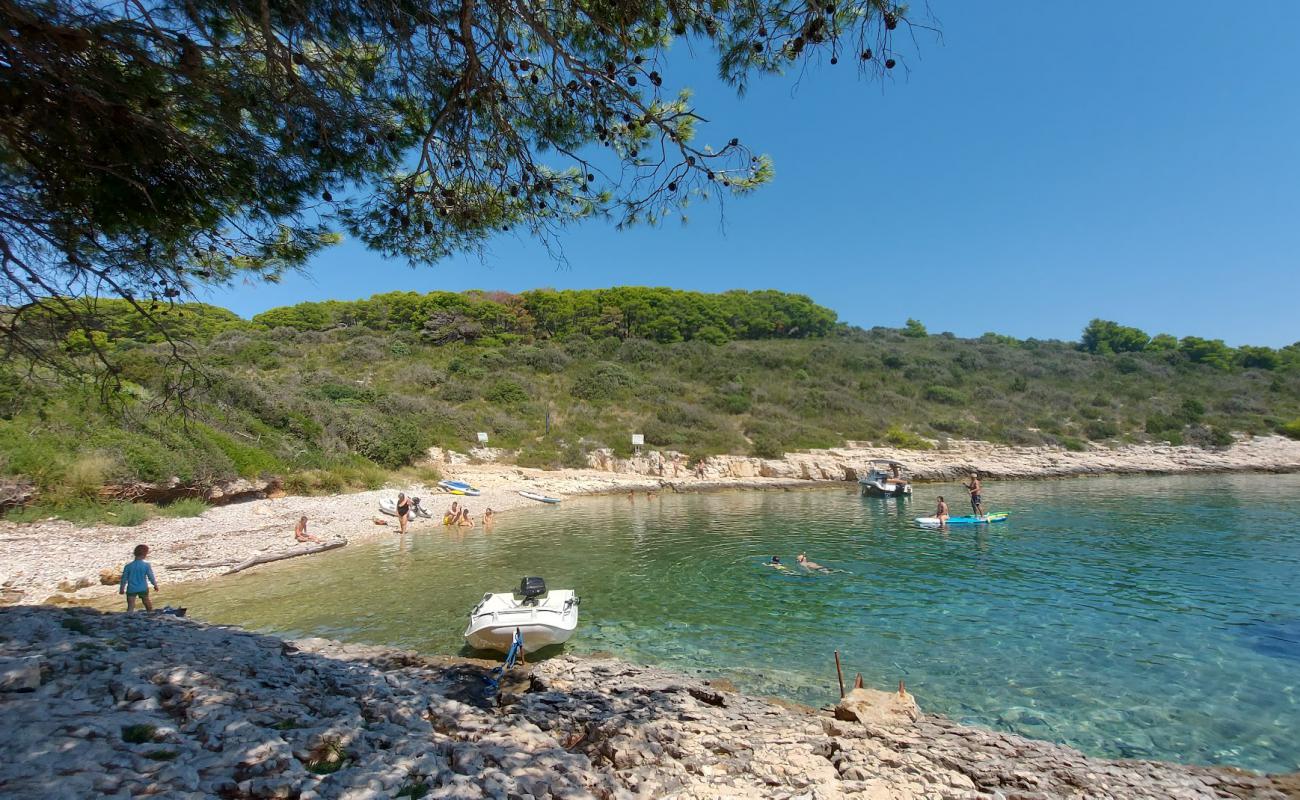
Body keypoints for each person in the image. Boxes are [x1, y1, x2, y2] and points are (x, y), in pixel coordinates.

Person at [119, 544, 158, 612]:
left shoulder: (128, 566)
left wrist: (122, 589)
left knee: (131, 605)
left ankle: (129, 617)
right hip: (143, 588)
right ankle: (150, 614)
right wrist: (155, 585)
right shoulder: (146, 565)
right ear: (145, 554)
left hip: (131, 588)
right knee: (146, 602)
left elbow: (124, 579)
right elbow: (151, 576)